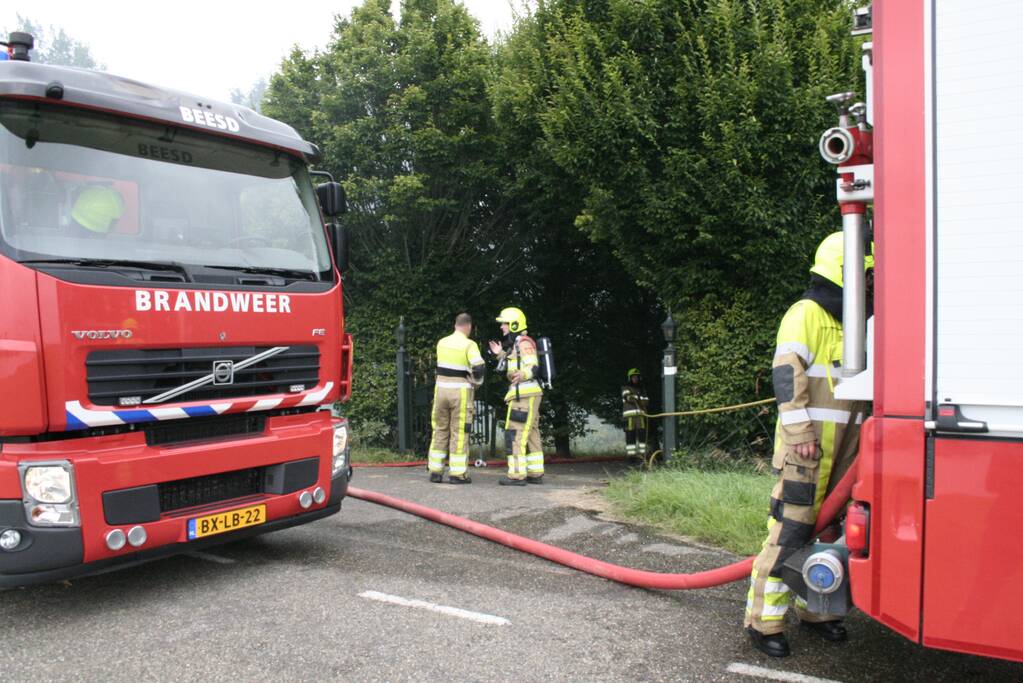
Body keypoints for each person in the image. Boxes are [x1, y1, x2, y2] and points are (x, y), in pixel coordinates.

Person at [744, 232, 872, 658]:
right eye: (866, 275)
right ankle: (764, 622)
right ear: (844, 271)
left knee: (831, 536)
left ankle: (817, 610)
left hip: (847, 458)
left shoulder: (858, 323)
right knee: (790, 534)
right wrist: (799, 435)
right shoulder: (807, 313)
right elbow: (786, 373)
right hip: (807, 456)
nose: (870, 285)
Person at [427, 313, 485, 484]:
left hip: (441, 391)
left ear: (455, 325)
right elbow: (479, 367)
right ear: (469, 326)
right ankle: (458, 474)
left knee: (439, 429)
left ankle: (435, 471)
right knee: (459, 432)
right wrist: (475, 382)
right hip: (460, 392)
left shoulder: (442, 342)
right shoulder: (469, 344)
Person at [488, 307, 544, 486]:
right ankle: (535, 472)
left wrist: (524, 375)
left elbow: (533, 365)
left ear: (514, 324)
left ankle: (517, 474)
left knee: (515, 433)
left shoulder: (524, 342)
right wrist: (500, 355)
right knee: (532, 432)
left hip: (524, 395)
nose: (502, 327)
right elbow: (514, 362)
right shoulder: (517, 344)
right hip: (528, 394)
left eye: (504, 323)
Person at [621, 368, 650, 458]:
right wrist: (638, 399)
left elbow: (646, 401)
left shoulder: (642, 389)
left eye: (637, 377)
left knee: (642, 435)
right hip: (629, 416)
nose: (635, 379)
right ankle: (631, 456)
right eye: (633, 377)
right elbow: (628, 398)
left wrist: (637, 398)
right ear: (630, 378)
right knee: (630, 435)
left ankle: (643, 455)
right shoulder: (625, 388)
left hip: (640, 416)